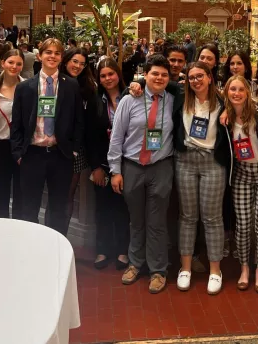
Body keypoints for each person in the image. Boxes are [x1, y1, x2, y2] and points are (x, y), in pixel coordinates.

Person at [108, 55, 175, 294]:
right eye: (155, 73)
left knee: (157, 222)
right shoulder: (129, 100)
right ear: (145, 74)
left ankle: (158, 269)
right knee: (136, 220)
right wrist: (115, 170)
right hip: (133, 167)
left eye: (164, 75)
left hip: (161, 166)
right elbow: (116, 137)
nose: (159, 78)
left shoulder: (173, 101)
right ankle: (136, 263)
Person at [10, 38, 84, 236]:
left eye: (57, 53)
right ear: (39, 55)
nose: (52, 56)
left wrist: (73, 149)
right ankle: (32, 249)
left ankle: (55, 252)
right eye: (48, 52)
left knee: (58, 208)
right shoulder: (25, 87)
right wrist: (18, 153)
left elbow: (78, 120)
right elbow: (16, 124)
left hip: (61, 155)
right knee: (29, 208)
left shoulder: (71, 86)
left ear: (61, 58)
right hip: (32, 155)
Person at [175, 61, 231, 295]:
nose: (195, 81)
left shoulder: (223, 101)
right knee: (187, 216)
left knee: (212, 218)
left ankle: (215, 270)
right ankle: (185, 268)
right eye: (191, 77)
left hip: (212, 163)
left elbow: (250, 102)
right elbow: (150, 84)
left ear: (210, 77)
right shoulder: (180, 97)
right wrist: (134, 88)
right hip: (185, 160)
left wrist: (229, 108)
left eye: (200, 76)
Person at [224, 75, 258, 294]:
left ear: (248, 92)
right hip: (242, 175)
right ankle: (244, 268)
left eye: (240, 90)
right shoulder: (224, 117)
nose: (236, 93)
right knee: (244, 226)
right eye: (232, 89)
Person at [86, 57, 130, 270]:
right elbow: (90, 136)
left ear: (118, 74)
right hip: (102, 165)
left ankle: (123, 250)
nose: (107, 78)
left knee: (123, 209)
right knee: (102, 209)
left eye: (111, 74)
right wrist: (95, 167)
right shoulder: (95, 102)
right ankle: (103, 249)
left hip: (128, 164)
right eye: (103, 76)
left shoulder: (131, 97)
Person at [59, 48, 94, 226]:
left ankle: (62, 233)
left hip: (76, 147)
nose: (78, 66)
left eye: (82, 63)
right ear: (66, 61)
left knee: (68, 193)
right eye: (75, 61)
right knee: (55, 194)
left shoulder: (87, 87)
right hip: (54, 144)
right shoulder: (53, 81)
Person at [0, 49, 24, 219]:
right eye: (11, 62)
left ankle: (20, 236)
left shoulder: (28, 87)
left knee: (22, 193)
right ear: (2, 63)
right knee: (0, 194)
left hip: (22, 147)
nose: (14, 66)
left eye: (18, 63)